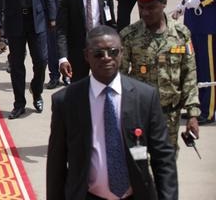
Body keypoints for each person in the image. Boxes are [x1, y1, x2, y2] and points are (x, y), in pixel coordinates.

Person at [46, 25, 177, 200]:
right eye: (98, 53)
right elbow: (57, 163)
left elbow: (163, 158)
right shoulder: (66, 101)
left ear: (122, 53)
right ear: (87, 55)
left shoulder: (145, 97)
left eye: (113, 52)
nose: (107, 58)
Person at [120, 0, 200, 149]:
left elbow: (189, 74)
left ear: (163, 3)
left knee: (166, 169)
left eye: (151, 8)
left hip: (170, 117)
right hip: (139, 117)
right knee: (141, 166)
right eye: (141, 7)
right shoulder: (129, 36)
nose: (145, 13)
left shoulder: (181, 35)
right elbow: (120, 79)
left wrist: (193, 115)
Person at [57, 0, 116, 83]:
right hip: (78, 52)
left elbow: (111, 23)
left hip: (101, 50)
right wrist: (63, 58)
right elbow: (61, 29)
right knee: (79, 91)